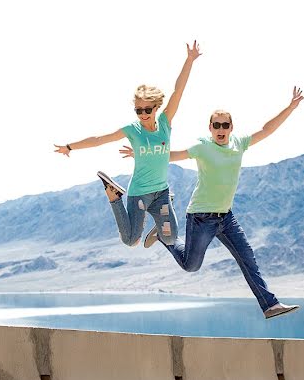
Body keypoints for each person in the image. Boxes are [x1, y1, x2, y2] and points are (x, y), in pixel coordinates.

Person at [122, 87, 304, 319]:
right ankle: (163, 236)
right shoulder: (202, 147)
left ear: (231, 128)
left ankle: (270, 305)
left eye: (225, 125)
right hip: (200, 217)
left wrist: (290, 107)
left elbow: (267, 130)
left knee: (248, 259)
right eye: (216, 125)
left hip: (226, 217)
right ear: (210, 128)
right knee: (191, 265)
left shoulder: (239, 143)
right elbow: (172, 155)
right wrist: (143, 152)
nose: (220, 129)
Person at [54, 41, 201, 247]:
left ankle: (158, 229)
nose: (142, 114)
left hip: (162, 193)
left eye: (147, 110)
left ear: (156, 107)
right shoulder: (133, 130)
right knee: (131, 240)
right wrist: (70, 147)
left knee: (170, 238)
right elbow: (99, 139)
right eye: (138, 110)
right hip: (139, 192)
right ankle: (114, 197)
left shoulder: (165, 123)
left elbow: (178, 91)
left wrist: (189, 60)